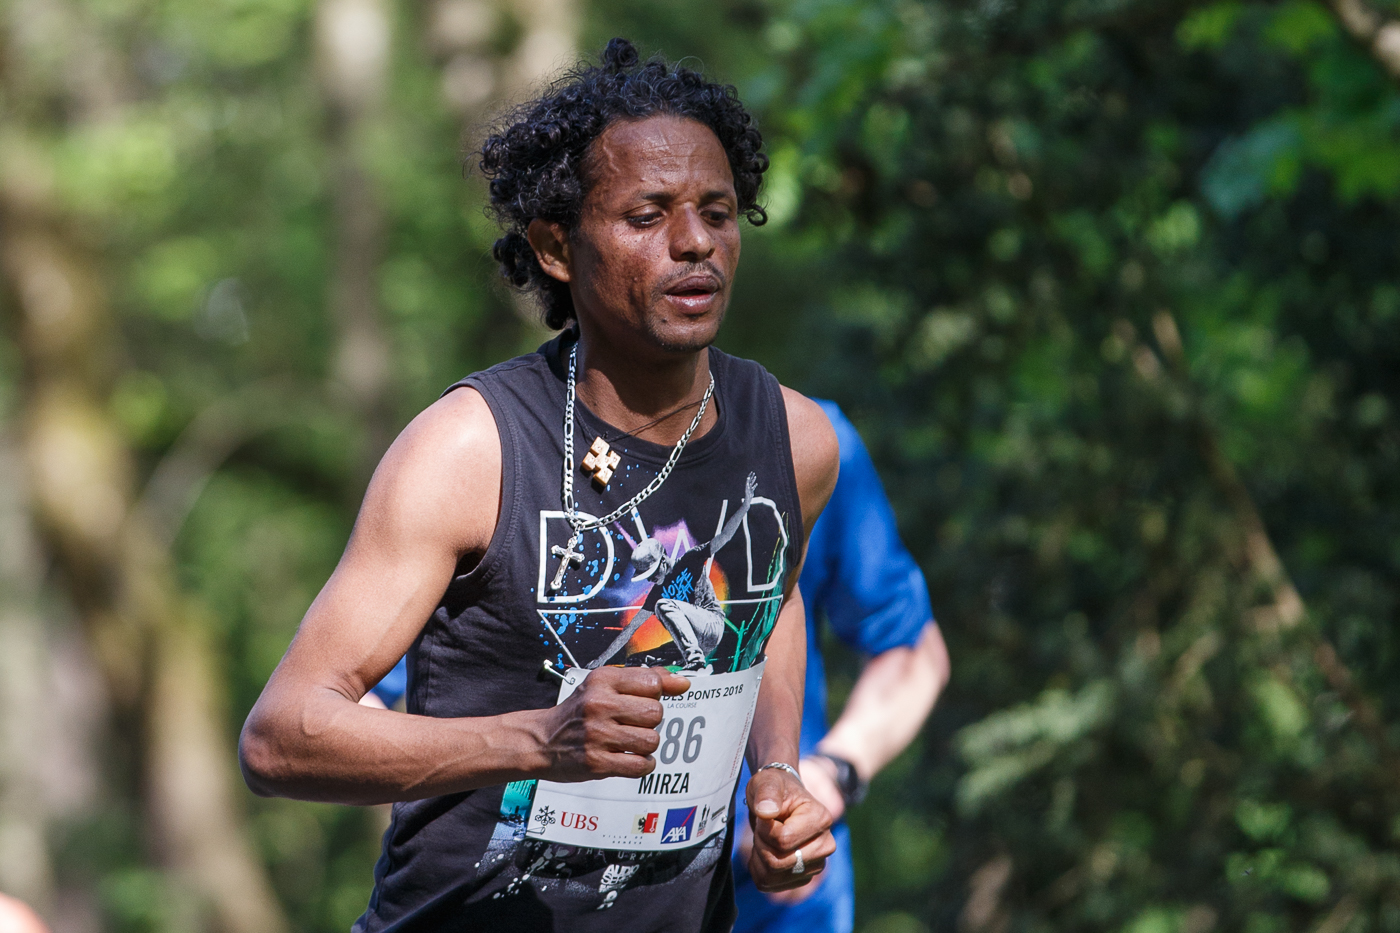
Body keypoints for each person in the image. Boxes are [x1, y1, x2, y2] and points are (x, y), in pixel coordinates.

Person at [240, 38, 839, 933]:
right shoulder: (469, 451)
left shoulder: (793, 440)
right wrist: (539, 740)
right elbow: (280, 736)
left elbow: (772, 594)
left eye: (717, 212)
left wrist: (778, 767)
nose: (695, 243)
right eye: (647, 214)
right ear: (557, 246)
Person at [732, 402, 950, 933]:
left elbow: (916, 652)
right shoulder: (532, 432)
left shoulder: (801, 439)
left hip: (783, 899)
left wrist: (831, 773)